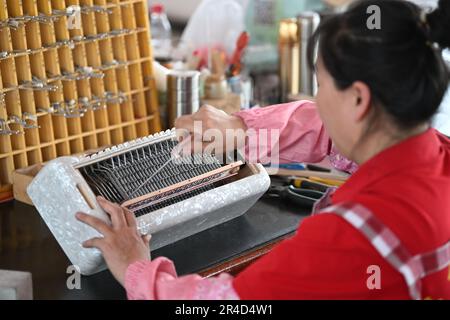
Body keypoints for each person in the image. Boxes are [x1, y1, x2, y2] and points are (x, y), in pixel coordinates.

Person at [76, 0, 450, 299]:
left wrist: (135, 270)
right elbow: (334, 133)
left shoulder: (355, 237)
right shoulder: (435, 157)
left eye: (320, 85)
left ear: (358, 99)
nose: (317, 101)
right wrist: (240, 128)